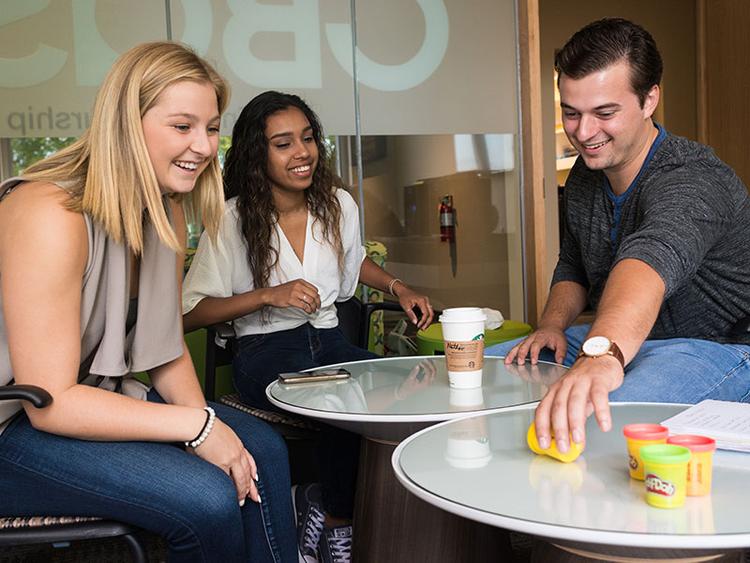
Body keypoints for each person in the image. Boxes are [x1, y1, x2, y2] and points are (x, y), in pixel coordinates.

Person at [0, 42, 298, 563]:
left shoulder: (164, 209)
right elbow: (48, 403)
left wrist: (213, 430)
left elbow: (166, 350)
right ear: (125, 125)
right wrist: (200, 428)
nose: (204, 146)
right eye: (182, 126)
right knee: (205, 499)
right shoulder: (49, 213)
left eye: (210, 128)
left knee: (263, 451)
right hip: (16, 423)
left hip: (92, 398)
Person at [182, 90, 433, 562]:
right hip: (264, 353)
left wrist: (398, 287)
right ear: (259, 154)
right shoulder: (231, 220)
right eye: (283, 143)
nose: (302, 152)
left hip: (330, 341)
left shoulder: (337, 204)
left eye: (308, 137)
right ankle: (339, 521)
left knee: (402, 385)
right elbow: (191, 313)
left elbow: (353, 263)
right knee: (341, 398)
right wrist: (265, 295)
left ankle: (346, 509)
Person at [487, 18, 750, 455]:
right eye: (571, 113)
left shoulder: (695, 178)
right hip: (628, 341)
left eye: (604, 113)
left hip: (716, 349)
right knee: (485, 374)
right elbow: (574, 265)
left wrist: (601, 356)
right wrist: (551, 327)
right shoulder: (584, 180)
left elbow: (649, 260)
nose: (584, 133)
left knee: (597, 423)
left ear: (650, 100)